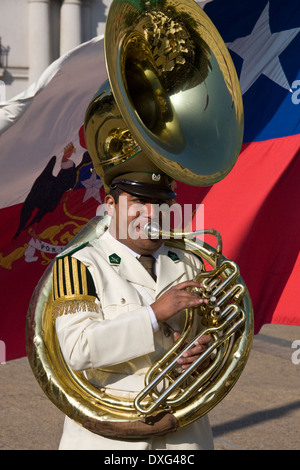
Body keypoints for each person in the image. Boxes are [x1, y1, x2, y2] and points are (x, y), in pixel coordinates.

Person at [52, 151, 214, 450]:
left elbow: (211, 336)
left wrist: (205, 353)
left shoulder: (190, 261)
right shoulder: (77, 264)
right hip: (108, 435)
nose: (152, 214)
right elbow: (78, 349)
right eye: (139, 202)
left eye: (161, 203)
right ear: (111, 205)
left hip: (184, 434)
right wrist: (154, 314)